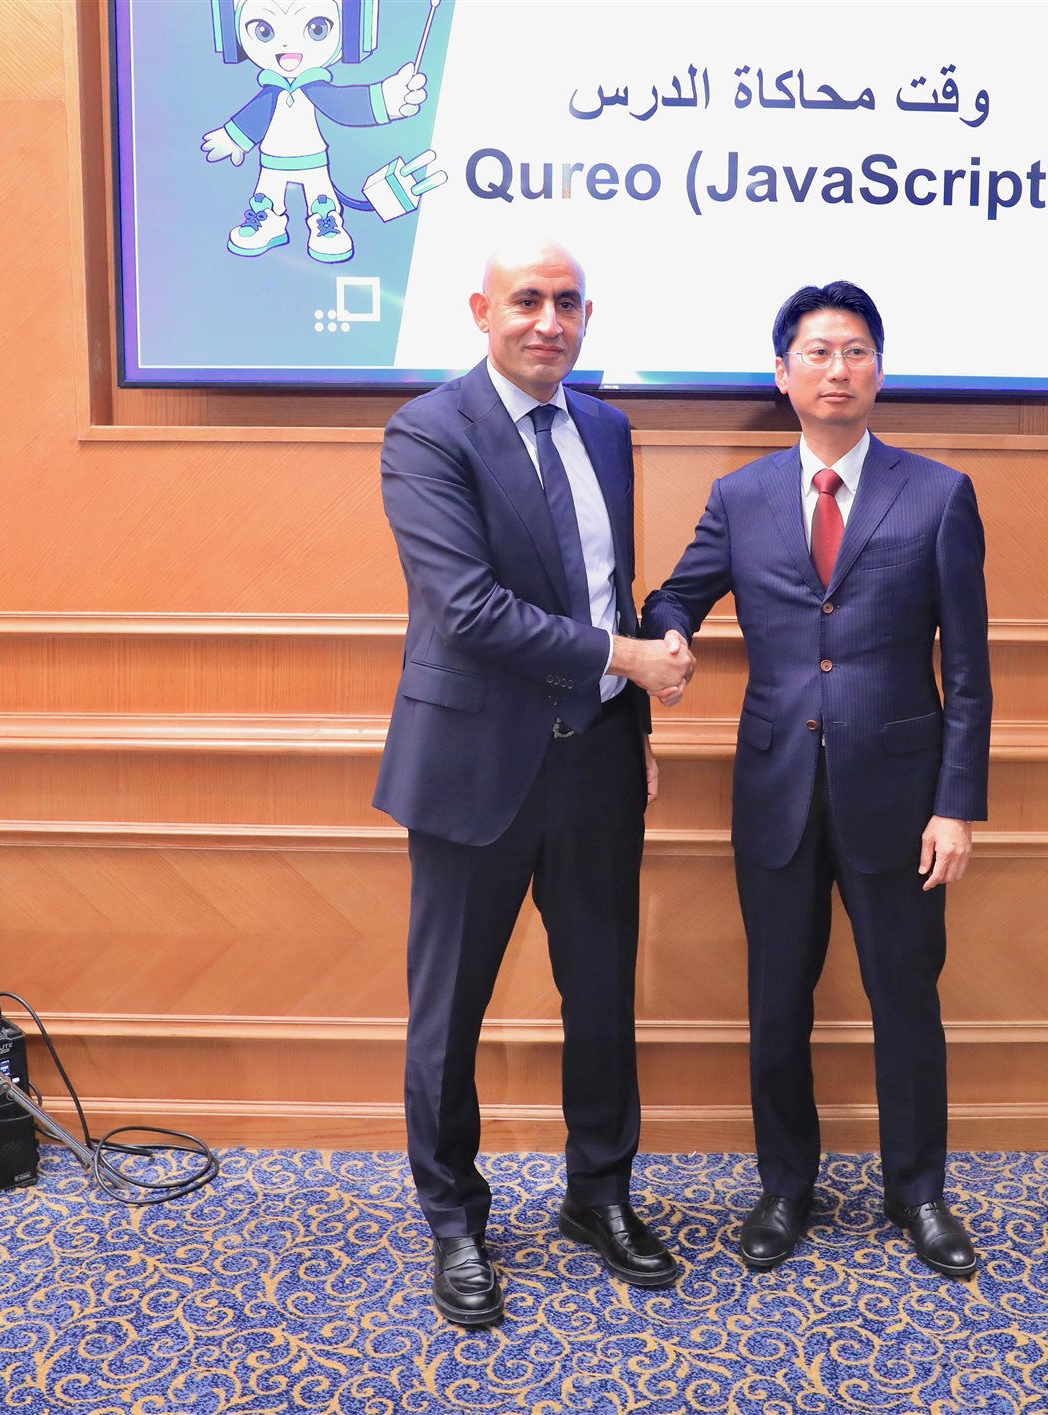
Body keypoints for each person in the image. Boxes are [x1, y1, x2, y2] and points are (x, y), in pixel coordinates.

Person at [642, 281, 992, 1278]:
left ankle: (918, 1192)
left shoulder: (939, 494)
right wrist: (669, 635)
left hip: (902, 797)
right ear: (783, 374)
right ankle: (784, 1187)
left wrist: (956, 803)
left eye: (855, 351)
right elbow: (674, 593)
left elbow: (968, 669)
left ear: (878, 370)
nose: (837, 369)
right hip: (775, 788)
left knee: (905, 999)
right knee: (776, 1001)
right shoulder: (741, 496)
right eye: (817, 352)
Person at [375, 239, 694, 1325]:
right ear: (481, 311)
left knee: (601, 998)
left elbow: (609, 588)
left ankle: (599, 1195)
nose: (549, 321)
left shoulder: (606, 428)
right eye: (527, 301)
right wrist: (626, 659)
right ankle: (454, 1219)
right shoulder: (428, 431)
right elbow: (467, 607)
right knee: (449, 1012)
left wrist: (631, 718)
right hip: (474, 764)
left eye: (567, 303)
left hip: (596, 760)